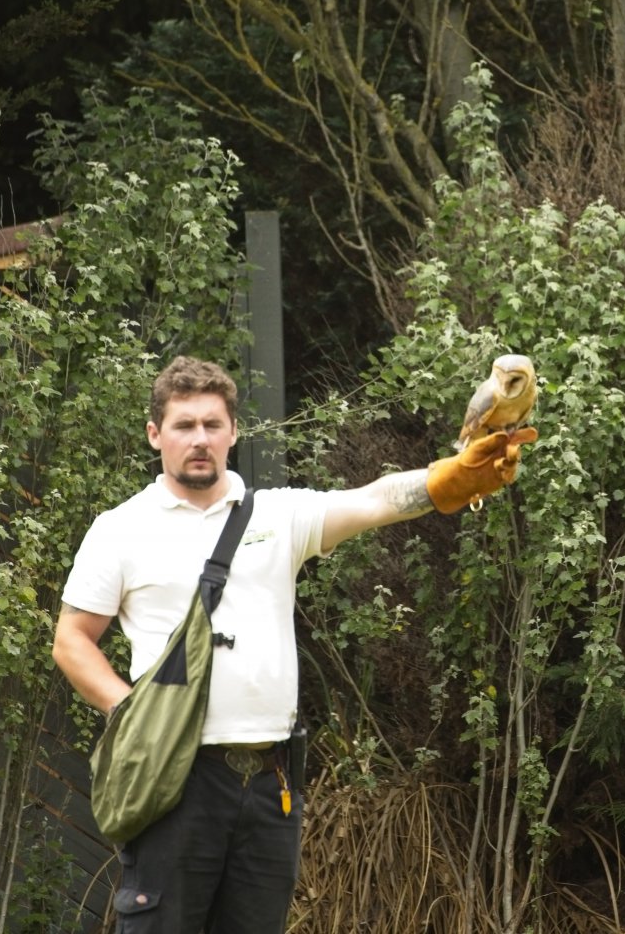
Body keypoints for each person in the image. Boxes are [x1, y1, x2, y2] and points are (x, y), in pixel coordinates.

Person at [51, 355, 534, 933]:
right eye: (183, 426)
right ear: (156, 435)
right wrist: (132, 714)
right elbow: (72, 640)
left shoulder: (278, 515)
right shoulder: (121, 529)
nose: (199, 439)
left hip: (270, 782)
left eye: (212, 424)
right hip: (173, 780)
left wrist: (451, 476)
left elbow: (375, 500)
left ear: (233, 431)